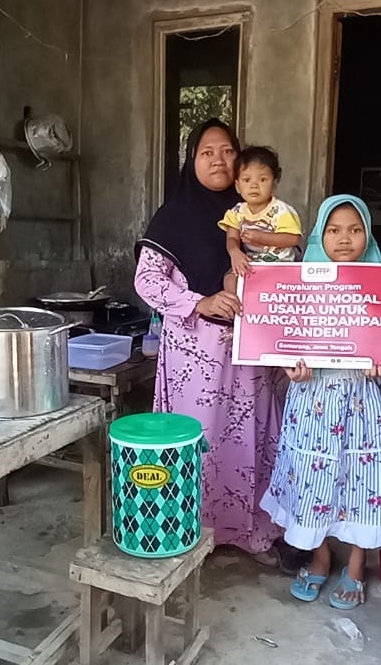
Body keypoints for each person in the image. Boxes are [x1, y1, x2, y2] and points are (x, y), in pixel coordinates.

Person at [134, 119, 284, 560]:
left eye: (227, 151)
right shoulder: (174, 216)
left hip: (250, 351)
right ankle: (197, 531)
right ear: (191, 161)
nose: (219, 160)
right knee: (202, 441)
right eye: (207, 152)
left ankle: (251, 533)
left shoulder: (261, 214)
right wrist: (198, 302)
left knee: (250, 436)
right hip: (196, 354)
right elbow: (146, 281)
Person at [259, 195, 381, 610]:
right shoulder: (301, 282)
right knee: (311, 477)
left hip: (360, 399)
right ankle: (319, 556)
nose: (345, 238)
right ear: (319, 235)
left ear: (367, 234)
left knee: (360, 476)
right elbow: (286, 340)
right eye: (334, 230)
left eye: (355, 229)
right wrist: (291, 368)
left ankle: (355, 564)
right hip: (313, 397)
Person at [219, 146, 303, 294]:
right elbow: (232, 237)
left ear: (274, 183)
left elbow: (293, 239)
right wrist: (235, 253)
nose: (254, 185)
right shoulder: (237, 212)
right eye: (246, 180)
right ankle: (241, 314)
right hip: (251, 262)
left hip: (281, 264)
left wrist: (261, 237)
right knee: (230, 280)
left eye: (262, 179)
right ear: (238, 186)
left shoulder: (281, 211)